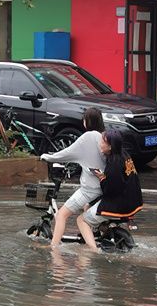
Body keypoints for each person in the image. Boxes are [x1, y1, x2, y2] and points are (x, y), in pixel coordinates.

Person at [40, 108, 106, 247]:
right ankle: (90, 237)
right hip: (104, 187)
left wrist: (48, 157)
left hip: (90, 189)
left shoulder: (88, 137)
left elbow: (68, 153)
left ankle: (53, 248)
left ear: (87, 121)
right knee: (86, 208)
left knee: (61, 215)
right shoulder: (104, 137)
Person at [77, 131, 144, 251]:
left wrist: (102, 178)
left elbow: (110, 190)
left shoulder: (114, 163)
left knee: (81, 220)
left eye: (103, 142)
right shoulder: (124, 154)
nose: (100, 143)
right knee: (88, 205)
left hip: (119, 204)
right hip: (133, 200)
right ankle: (97, 233)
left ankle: (92, 250)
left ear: (110, 147)